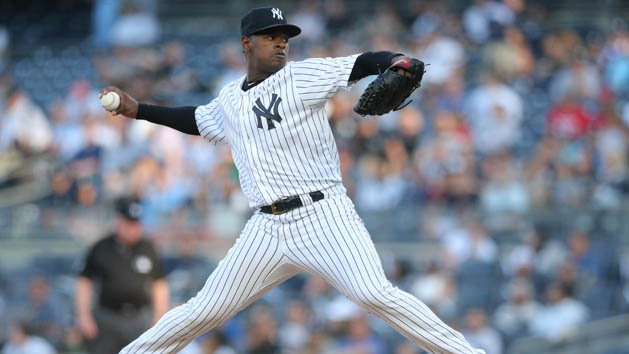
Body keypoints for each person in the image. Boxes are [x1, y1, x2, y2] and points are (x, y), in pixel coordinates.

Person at [103, 7, 485, 354]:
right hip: (266, 228)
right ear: (246, 44)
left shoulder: (301, 76)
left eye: (284, 36)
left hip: (323, 215)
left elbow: (361, 63)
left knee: (373, 294)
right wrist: (139, 110)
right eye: (271, 36)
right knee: (203, 311)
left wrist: (396, 61)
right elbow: (196, 119)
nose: (281, 43)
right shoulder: (230, 100)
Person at [75, 196, 169, 354]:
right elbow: (85, 282)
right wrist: (84, 315)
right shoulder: (101, 248)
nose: (133, 228)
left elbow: (159, 285)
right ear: (119, 220)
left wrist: (159, 318)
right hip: (108, 318)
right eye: (129, 223)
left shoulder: (148, 249)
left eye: (136, 224)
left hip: (140, 319)